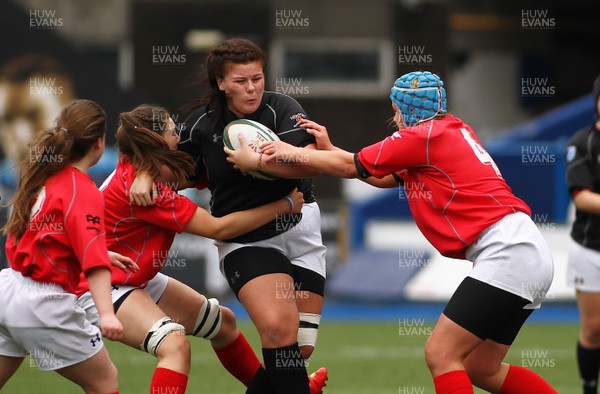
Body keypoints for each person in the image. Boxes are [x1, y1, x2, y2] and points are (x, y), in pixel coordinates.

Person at [226, 70, 558, 393]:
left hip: (507, 252)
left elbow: (350, 165)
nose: (395, 118)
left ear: (404, 110)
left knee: (441, 354)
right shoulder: (450, 130)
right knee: (480, 368)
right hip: (526, 250)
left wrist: (289, 152)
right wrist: (328, 148)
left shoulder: (420, 136)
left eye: (396, 110)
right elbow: (379, 176)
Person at [130, 38, 328, 394]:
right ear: (221, 83)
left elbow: (310, 164)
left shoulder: (283, 109)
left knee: (297, 349)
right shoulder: (202, 125)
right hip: (246, 238)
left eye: (257, 78)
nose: (251, 88)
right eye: (240, 81)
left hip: (302, 228)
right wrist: (146, 173)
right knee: (278, 331)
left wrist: (259, 163)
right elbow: (174, 167)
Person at [76, 104, 306, 394]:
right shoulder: (148, 192)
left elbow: (200, 170)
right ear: (157, 141)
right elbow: (218, 228)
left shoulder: (147, 169)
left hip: (131, 277)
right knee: (175, 346)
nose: (180, 134)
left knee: (223, 323)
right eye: (173, 130)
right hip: (100, 283)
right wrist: (284, 205)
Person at [0, 99, 127, 393]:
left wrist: (97, 253)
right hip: (43, 305)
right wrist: (106, 314)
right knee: (106, 381)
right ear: (99, 142)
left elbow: (46, 239)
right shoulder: (83, 190)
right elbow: (94, 264)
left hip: (8, 292)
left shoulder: (45, 175)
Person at [565, 75, 600, 394]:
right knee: (594, 329)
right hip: (589, 250)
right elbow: (582, 198)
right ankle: (589, 388)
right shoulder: (582, 143)